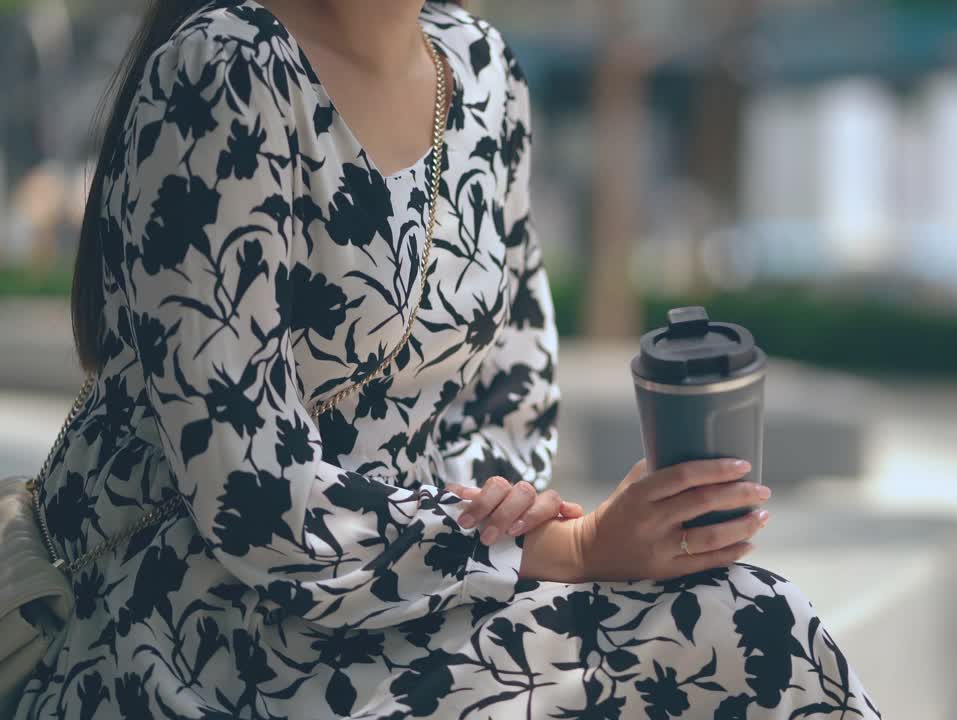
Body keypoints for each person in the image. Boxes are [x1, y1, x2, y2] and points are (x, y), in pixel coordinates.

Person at [17, 1, 880, 717]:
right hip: (212, 624)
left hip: (425, 583)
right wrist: (566, 551)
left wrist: (504, 506)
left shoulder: (481, 65)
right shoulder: (225, 69)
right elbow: (252, 501)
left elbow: (511, 384)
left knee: (759, 617)